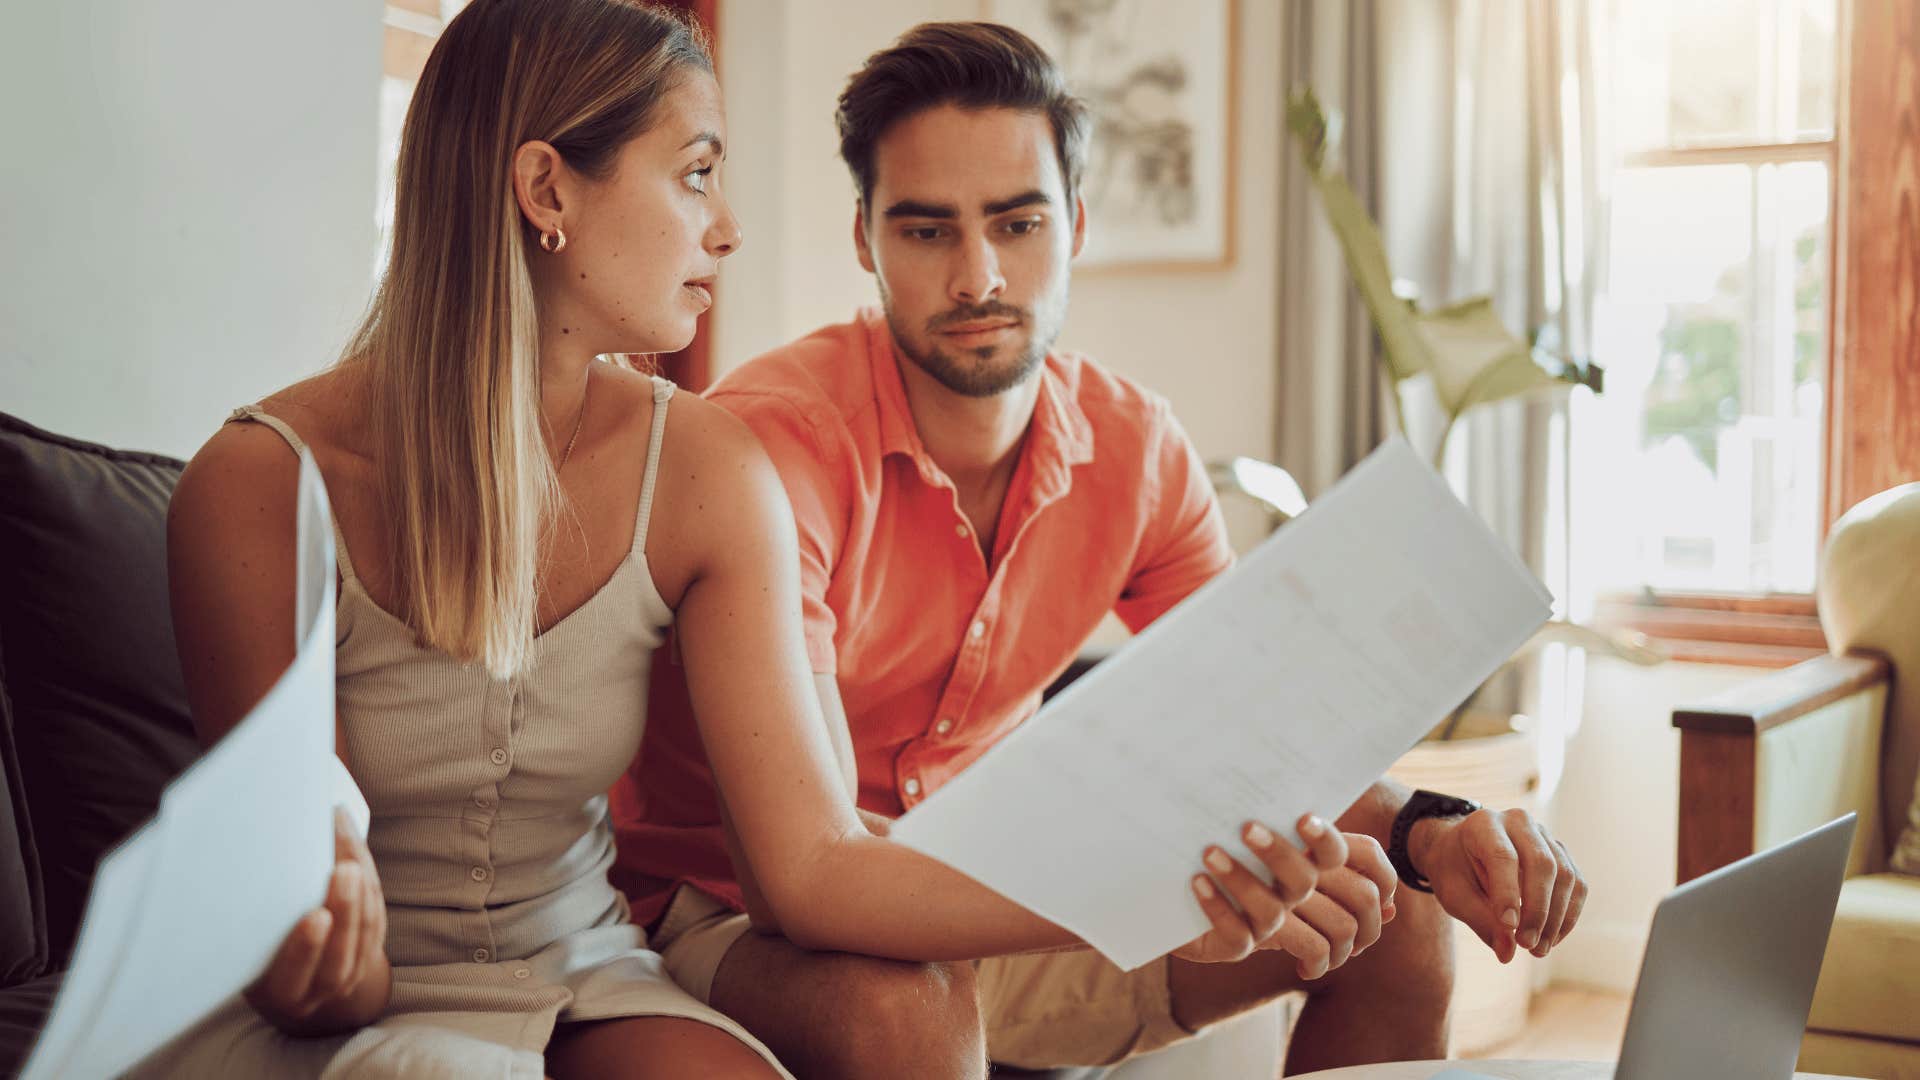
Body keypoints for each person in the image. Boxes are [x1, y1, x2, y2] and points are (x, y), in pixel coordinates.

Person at [152, 3, 1338, 1077]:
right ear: (547, 192)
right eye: (697, 175)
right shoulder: (256, 488)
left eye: (1019, 222)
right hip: (403, 997)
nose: (727, 231)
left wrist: (1188, 869)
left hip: (585, 966)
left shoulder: (703, 470)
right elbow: (295, 943)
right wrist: (324, 959)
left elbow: (813, 866)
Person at [613, 20, 1592, 1079]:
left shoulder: (1138, 451)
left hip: (992, 894)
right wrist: (1134, 893)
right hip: (736, 915)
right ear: (867, 239)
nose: (979, 275)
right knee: (903, 1006)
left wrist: (1433, 835)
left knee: (1394, 917)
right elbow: (804, 881)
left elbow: (1256, 724)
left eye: (1018, 222)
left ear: (1075, 224)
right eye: (928, 230)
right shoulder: (774, 447)